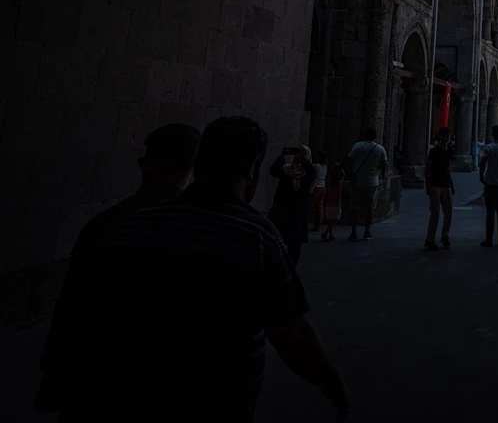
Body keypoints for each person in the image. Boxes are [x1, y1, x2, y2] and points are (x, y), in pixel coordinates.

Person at [38, 116, 350, 421]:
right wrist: (333, 386)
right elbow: (290, 331)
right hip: (212, 400)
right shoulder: (256, 236)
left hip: (117, 395)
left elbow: (79, 310)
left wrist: (57, 380)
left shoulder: (130, 225)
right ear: (251, 167)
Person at [37, 123, 200, 414]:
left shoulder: (107, 224)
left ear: (148, 163)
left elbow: (73, 305)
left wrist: (55, 372)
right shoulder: (208, 230)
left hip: (97, 377)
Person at [268, 145, 316, 264]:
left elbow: (312, 174)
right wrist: (282, 156)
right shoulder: (286, 169)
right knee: (278, 241)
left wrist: (304, 160)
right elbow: (273, 170)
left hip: (298, 213)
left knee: (294, 247)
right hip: (283, 211)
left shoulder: (307, 172)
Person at [346, 127, 388, 241]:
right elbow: (384, 163)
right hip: (372, 181)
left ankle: (353, 232)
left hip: (357, 181)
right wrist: (383, 175)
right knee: (369, 207)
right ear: (375, 136)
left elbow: (349, 159)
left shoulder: (358, 146)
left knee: (354, 207)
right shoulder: (380, 149)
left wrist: (351, 172)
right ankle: (367, 231)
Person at [424, 127, 455, 251]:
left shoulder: (449, 151)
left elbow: (448, 168)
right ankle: (429, 239)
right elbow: (428, 169)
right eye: (444, 136)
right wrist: (428, 186)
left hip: (445, 184)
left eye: (448, 136)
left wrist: (451, 184)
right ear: (439, 136)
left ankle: (445, 235)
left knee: (449, 212)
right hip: (435, 184)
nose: (446, 138)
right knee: (435, 213)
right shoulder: (434, 151)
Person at [321, 160, 346, 241]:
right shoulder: (338, 183)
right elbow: (343, 176)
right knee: (335, 218)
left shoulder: (329, 181)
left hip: (328, 201)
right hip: (336, 202)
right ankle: (326, 232)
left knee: (330, 218)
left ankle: (330, 234)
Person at [309, 151, 328, 232]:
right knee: (320, 208)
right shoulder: (325, 166)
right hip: (323, 187)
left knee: (310, 205)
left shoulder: (316, 166)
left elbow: (308, 166)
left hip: (316, 188)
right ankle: (318, 225)